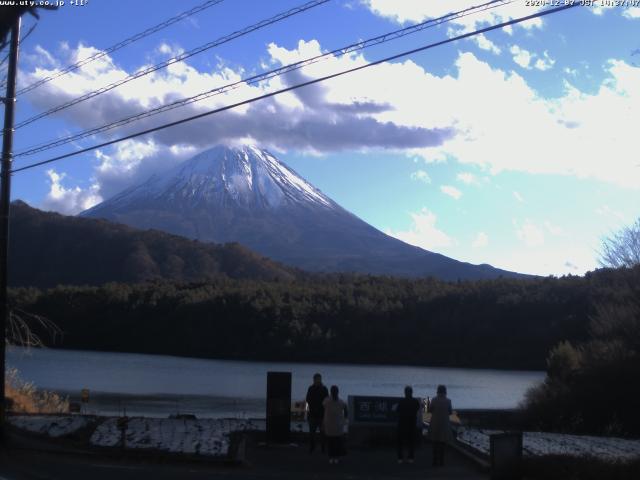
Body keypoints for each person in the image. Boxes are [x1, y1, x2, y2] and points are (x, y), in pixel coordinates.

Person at [428, 384, 453, 467]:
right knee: (442, 442)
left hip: (435, 422)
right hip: (444, 423)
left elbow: (430, 410)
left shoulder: (434, 400)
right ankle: (441, 461)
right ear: (445, 391)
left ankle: (434, 460)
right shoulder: (448, 401)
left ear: (438, 391)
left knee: (435, 442)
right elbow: (450, 412)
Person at [323, 385, 348, 464]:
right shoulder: (341, 401)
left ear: (331, 392)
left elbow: (323, 406)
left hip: (329, 424)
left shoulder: (326, 401)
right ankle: (336, 458)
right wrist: (345, 419)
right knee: (338, 442)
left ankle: (331, 458)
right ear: (338, 392)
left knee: (330, 442)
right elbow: (346, 409)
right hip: (338, 424)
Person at [396, 385, 421, 464]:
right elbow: (418, 408)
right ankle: (411, 458)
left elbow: (397, 411)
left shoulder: (401, 401)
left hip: (402, 424)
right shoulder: (415, 402)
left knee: (400, 442)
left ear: (405, 393)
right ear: (412, 393)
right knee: (411, 442)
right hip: (412, 424)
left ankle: (400, 458)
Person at [306, 373, 329, 453]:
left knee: (322, 433)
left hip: (321, 415)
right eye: (317, 379)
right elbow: (307, 401)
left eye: (319, 379)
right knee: (312, 433)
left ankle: (323, 447)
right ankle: (312, 447)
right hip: (313, 414)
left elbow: (327, 402)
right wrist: (308, 412)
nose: (318, 380)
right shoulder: (311, 388)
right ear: (314, 379)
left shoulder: (324, 389)